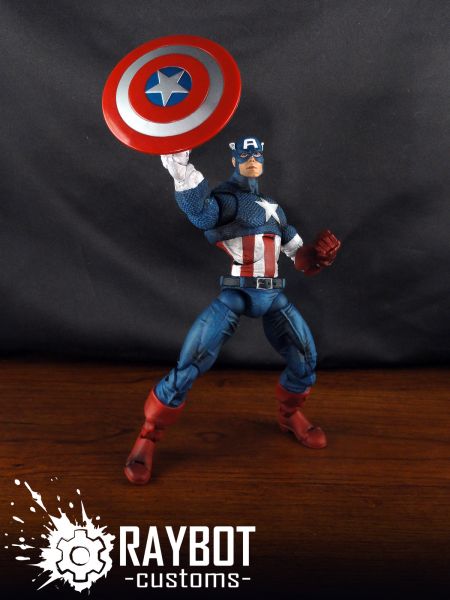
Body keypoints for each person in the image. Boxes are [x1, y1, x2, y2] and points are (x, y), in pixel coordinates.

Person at [125, 136, 341, 485]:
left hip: (273, 295)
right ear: (234, 160)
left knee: (305, 358)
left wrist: (319, 254)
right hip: (237, 293)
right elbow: (200, 212)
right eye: (245, 154)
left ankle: (290, 415)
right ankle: (148, 435)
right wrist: (180, 165)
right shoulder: (227, 201)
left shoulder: (274, 208)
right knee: (190, 363)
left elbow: (299, 258)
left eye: (257, 154)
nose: (252, 158)